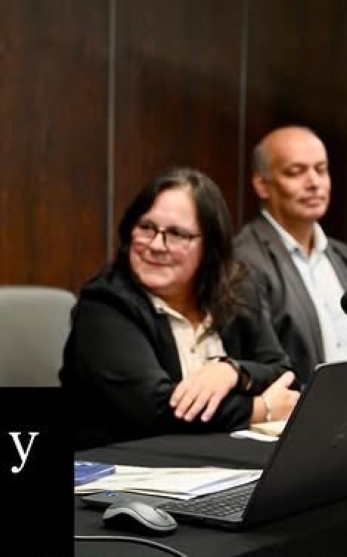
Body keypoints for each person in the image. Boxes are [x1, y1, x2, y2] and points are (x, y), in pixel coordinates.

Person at [59, 167, 299, 449]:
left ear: (209, 246)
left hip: (218, 459)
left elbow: (282, 373)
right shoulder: (104, 305)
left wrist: (232, 372)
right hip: (125, 464)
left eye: (176, 234)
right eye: (147, 228)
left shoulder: (238, 290)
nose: (157, 245)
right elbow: (156, 410)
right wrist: (260, 409)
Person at [235, 126, 347, 385]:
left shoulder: (345, 258)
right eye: (296, 172)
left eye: (321, 169)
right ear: (262, 185)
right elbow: (264, 364)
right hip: (301, 407)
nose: (314, 183)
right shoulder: (244, 261)